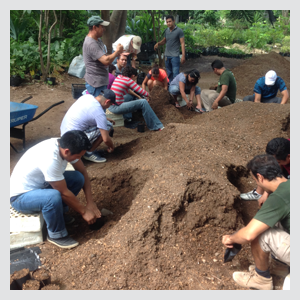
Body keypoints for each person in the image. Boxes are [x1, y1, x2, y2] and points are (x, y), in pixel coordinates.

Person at [10, 130, 102, 249]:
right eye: (78, 156)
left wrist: (90, 203)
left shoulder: (66, 145)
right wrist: (84, 211)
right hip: (20, 197)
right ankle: (57, 235)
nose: (78, 159)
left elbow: (83, 172)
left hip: (40, 186)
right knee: (52, 196)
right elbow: (63, 192)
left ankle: (60, 214)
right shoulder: (50, 158)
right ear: (67, 151)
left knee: (77, 178)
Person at [222, 154, 290, 290]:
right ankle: (281, 266)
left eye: (255, 180)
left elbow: (249, 235)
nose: (257, 184)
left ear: (260, 177)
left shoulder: (278, 199)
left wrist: (230, 238)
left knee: (260, 234)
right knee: (271, 222)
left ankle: (261, 280)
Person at [60, 90, 118, 163]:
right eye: (110, 104)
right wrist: (111, 147)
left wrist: (105, 119)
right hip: (74, 141)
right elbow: (106, 139)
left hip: (65, 134)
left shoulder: (87, 97)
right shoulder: (99, 112)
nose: (109, 106)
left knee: (105, 122)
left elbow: (87, 114)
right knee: (108, 125)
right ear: (107, 101)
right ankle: (89, 153)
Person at [110, 66, 164, 131]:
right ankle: (156, 126)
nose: (135, 80)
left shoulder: (119, 77)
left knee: (130, 96)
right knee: (143, 102)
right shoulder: (128, 80)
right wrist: (151, 96)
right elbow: (142, 92)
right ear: (133, 76)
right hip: (116, 107)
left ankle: (129, 118)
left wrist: (138, 96)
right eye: (135, 78)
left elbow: (129, 91)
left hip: (112, 104)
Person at [240, 138, 290, 207]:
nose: (276, 164)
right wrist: (265, 193)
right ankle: (258, 193)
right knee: (264, 166)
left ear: (289, 157)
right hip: (285, 170)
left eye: (278, 162)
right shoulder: (283, 146)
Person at [83, 16, 123, 97]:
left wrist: (116, 54)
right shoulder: (91, 43)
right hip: (95, 84)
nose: (104, 29)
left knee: (101, 107)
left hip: (100, 82)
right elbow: (106, 61)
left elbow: (102, 56)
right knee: (97, 107)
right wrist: (116, 52)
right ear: (94, 27)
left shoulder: (98, 40)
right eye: (102, 27)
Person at [154, 15, 185, 82]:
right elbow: (165, 40)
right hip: (167, 56)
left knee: (175, 74)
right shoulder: (166, 31)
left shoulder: (179, 31)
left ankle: (175, 89)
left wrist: (183, 56)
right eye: (167, 22)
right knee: (169, 74)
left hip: (175, 56)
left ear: (173, 21)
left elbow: (182, 43)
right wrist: (158, 43)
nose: (168, 23)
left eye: (170, 21)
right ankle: (171, 87)